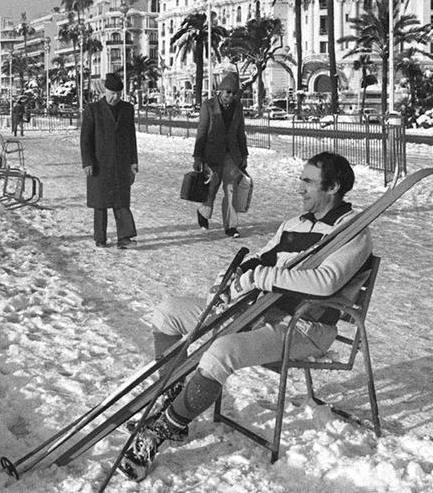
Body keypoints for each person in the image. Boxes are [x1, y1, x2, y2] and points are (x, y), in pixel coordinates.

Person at [119, 152, 373, 481]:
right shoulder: (294, 224)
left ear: (334, 187)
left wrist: (263, 277)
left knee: (221, 350)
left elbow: (325, 283)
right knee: (169, 311)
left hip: (305, 326)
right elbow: (260, 258)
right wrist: (230, 280)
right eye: (301, 180)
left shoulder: (352, 232)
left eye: (308, 181)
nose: (300, 188)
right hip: (260, 311)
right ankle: (175, 399)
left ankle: (162, 429)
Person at [80, 73, 138, 249]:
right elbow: (85, 139)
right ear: (105, 91)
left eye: (119, 94)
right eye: (112, 93)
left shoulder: (127, 109)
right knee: (100, 202)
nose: (116, 97)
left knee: (122, 201)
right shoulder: (93, 109)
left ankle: (125, 237)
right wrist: (87, 162)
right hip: (99, 164)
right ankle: (100, 238)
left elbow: (131, 137)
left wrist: (133, 162)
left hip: (121, 163)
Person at [192, 72, 249, 237]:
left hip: (231, 154)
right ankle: (203, 213)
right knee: (211, 188)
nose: (231, 96)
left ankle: (230, 226)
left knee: (231, 189)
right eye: (228, 92)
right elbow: (201, 132)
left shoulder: (238, 108)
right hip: (211, 154)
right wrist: (197, 157)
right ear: (220, 91)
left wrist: (244, 155)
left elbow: (240, 132)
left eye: (234, 93)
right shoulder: (208, 106)